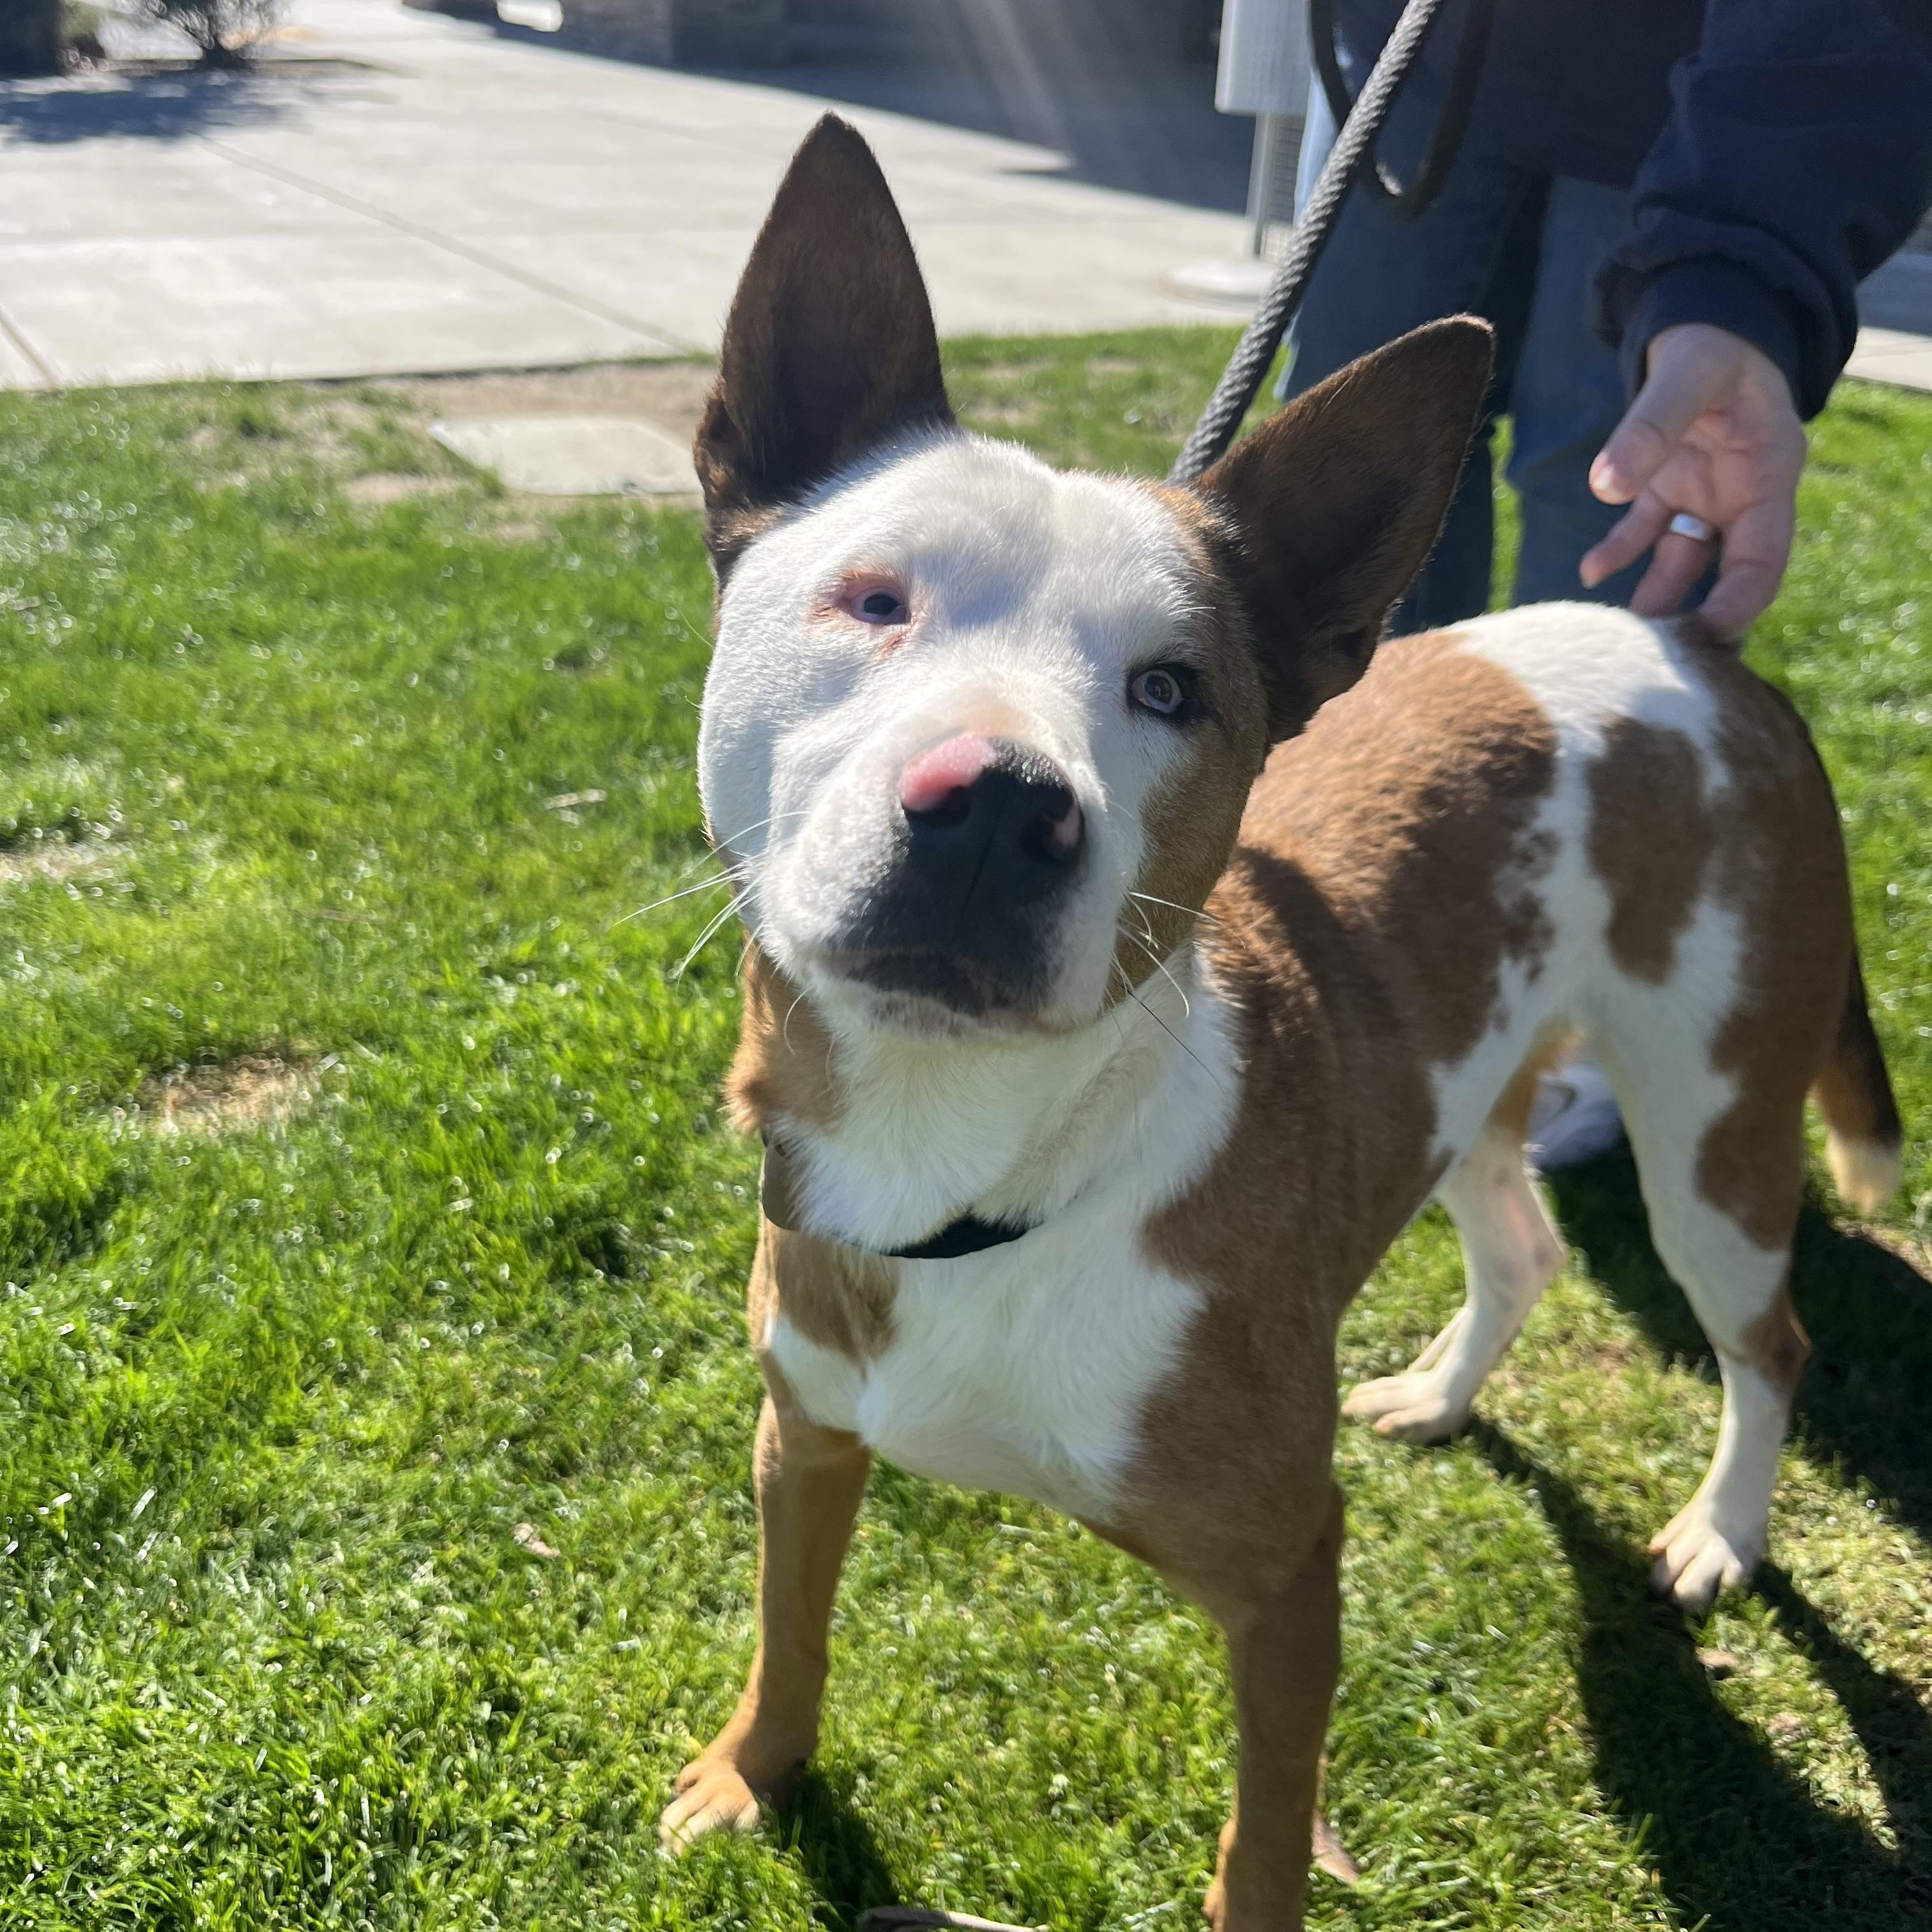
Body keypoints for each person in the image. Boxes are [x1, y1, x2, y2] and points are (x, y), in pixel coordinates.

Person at [1278, 0, 1932, 1163]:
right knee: (1353, 468)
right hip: (1428, 56)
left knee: (1603, 498)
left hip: (1669, 77)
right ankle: (1386, 902)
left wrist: (1737, 269)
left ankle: (1591, 982)